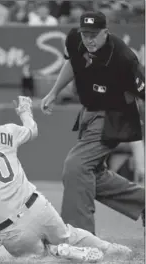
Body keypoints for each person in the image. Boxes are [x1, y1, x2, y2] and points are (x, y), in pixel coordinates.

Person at [0, 95, 132, 262]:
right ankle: (113, 250)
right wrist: (24, 110)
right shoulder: (5, 131)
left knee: (40, 260)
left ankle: (57, 253)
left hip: (10, 228)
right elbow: (32, 129)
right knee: (68, 235)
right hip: (37, 207)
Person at [40, 11, 145, 234]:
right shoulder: (75, 40)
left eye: (94, 35)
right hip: (89, 112)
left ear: (106, 32)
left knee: (76, 167)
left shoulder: (125, 59)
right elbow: (72, 63)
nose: (89, 39)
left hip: (115, 116)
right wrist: (53, 92)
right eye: (85, 34)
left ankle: (79, 236)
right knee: (91, 176)